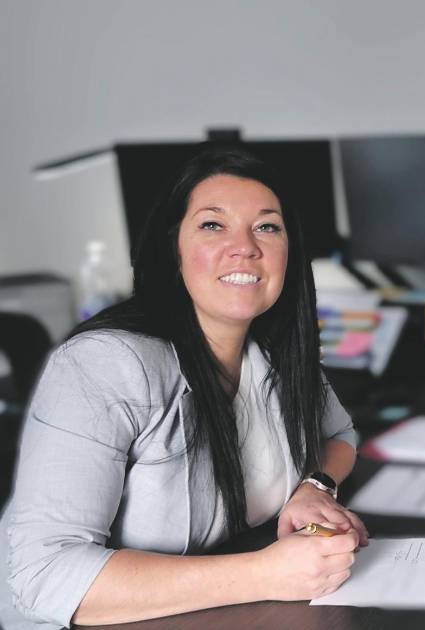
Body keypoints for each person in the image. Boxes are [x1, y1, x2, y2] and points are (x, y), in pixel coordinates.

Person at [1, 146, 370, 629]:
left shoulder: (277, 355)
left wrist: (314, 487)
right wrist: (264, 574)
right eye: (213, 225)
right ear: (173, 249)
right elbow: (43, 575)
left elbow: (339, 435)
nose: (245, 247)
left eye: (267, 227)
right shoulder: (106, 364)